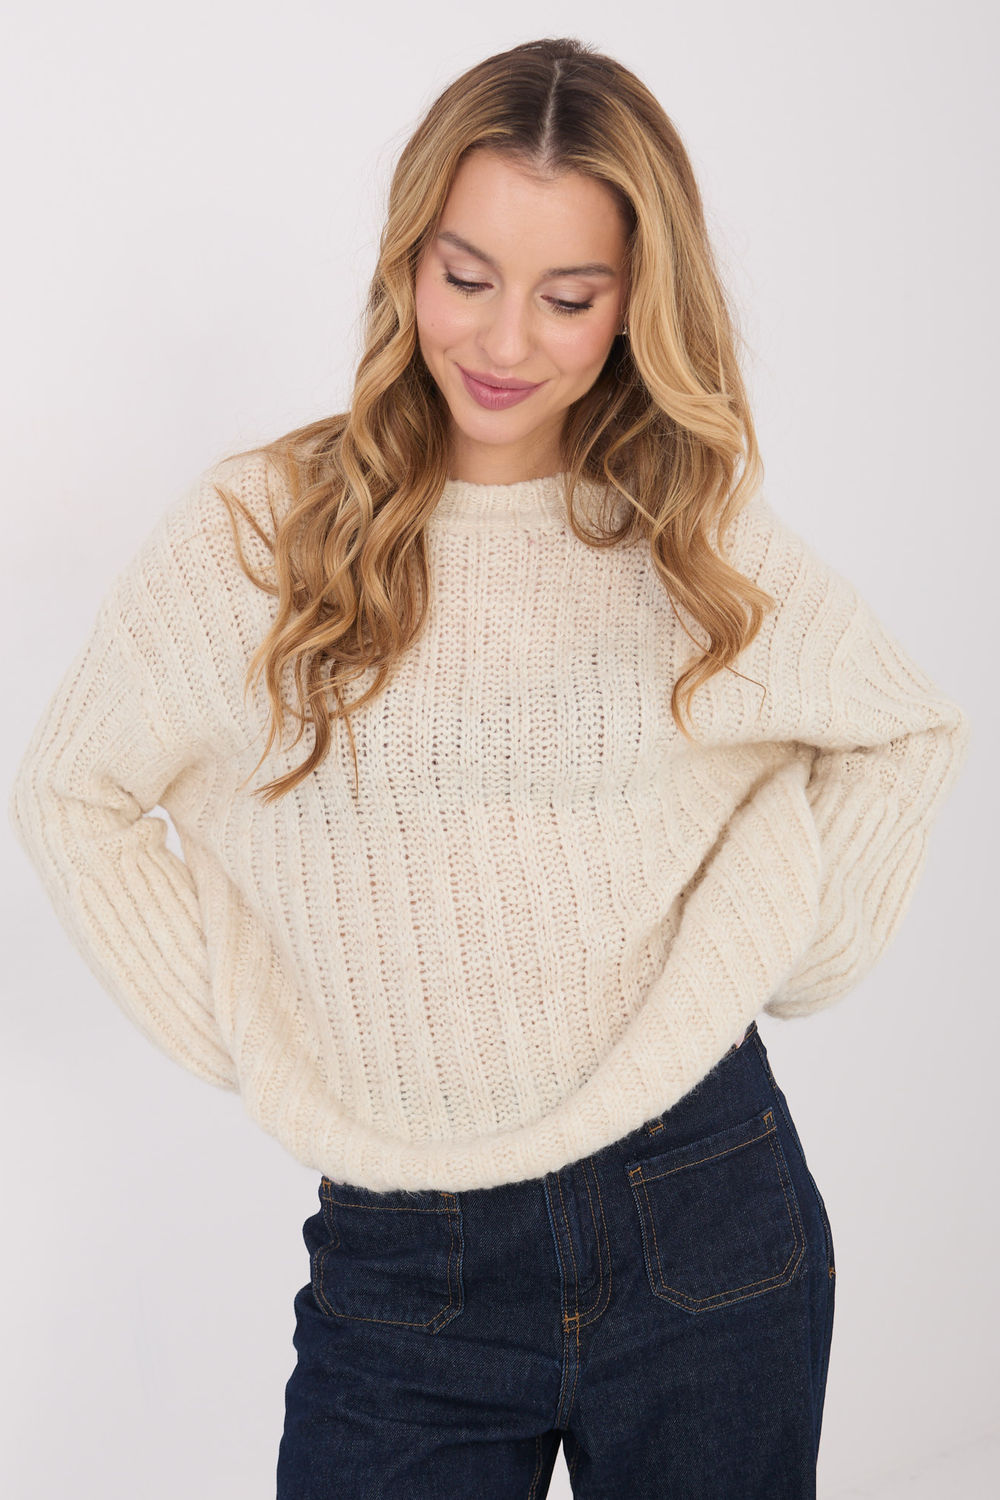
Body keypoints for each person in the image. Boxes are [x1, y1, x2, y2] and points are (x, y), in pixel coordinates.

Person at [8, 35, 971, 1500]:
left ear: (636, 303)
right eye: (467, 277)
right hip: (405, 1260)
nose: (506, 341)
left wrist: (783, 938)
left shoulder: (683, 535)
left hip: (701, 1213)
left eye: (569, 297)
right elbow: (72, 791)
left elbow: (904, 726)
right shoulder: (258, 535)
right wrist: (266, 1031)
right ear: (408, 259)